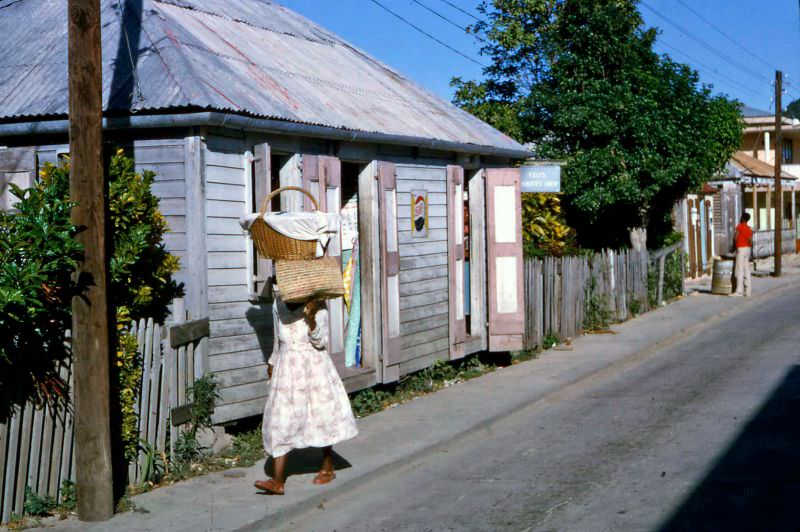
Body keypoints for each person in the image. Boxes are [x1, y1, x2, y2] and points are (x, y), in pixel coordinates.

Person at [254, 291, 359, 495]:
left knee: (320, 416)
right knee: (281, 419)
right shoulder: (278, 303)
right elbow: (279, 338)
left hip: (313, 367)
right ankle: (277, 481)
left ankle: (328, 466)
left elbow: (321, 341)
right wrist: (273, 360)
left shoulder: (316, 305)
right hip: (287, 369)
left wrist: (311, 320)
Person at [731, 213, 753, 297]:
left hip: (741, 249)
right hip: (748, 249)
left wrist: (733, 248)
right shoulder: (749, 229)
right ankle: (748, 291)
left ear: (743, 218)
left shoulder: (740, 226)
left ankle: (739, 291)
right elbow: (751, 241)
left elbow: (735, 237)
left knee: (739, 270)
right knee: (746, 270)